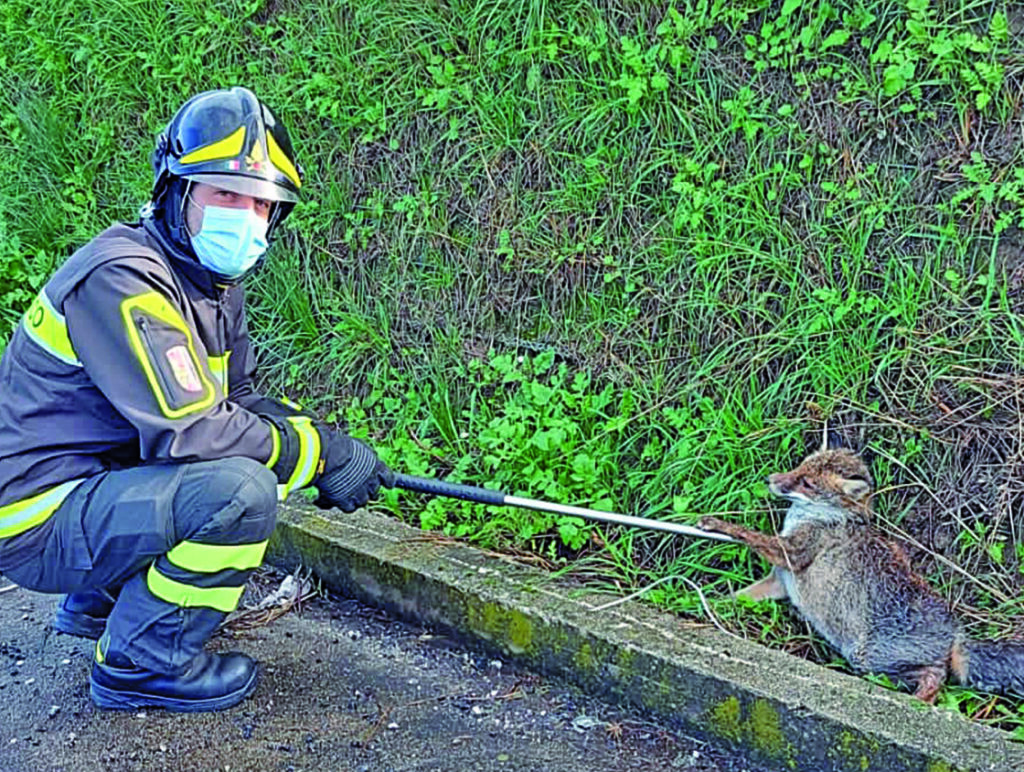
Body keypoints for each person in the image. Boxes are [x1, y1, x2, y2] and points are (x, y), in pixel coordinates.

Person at [0, 87, 393, 713]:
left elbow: (237, 402)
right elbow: (195, 434)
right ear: (177, 193)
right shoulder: (123, 278)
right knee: (239, 493)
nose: (248, 219)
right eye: (227, 195)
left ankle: (100, 601)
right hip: (35, 519)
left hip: (85, 488)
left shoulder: (211, 284)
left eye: (264, 205)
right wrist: (313, 456)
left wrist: (326, 442)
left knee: (241, 467)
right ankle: (140, 662)